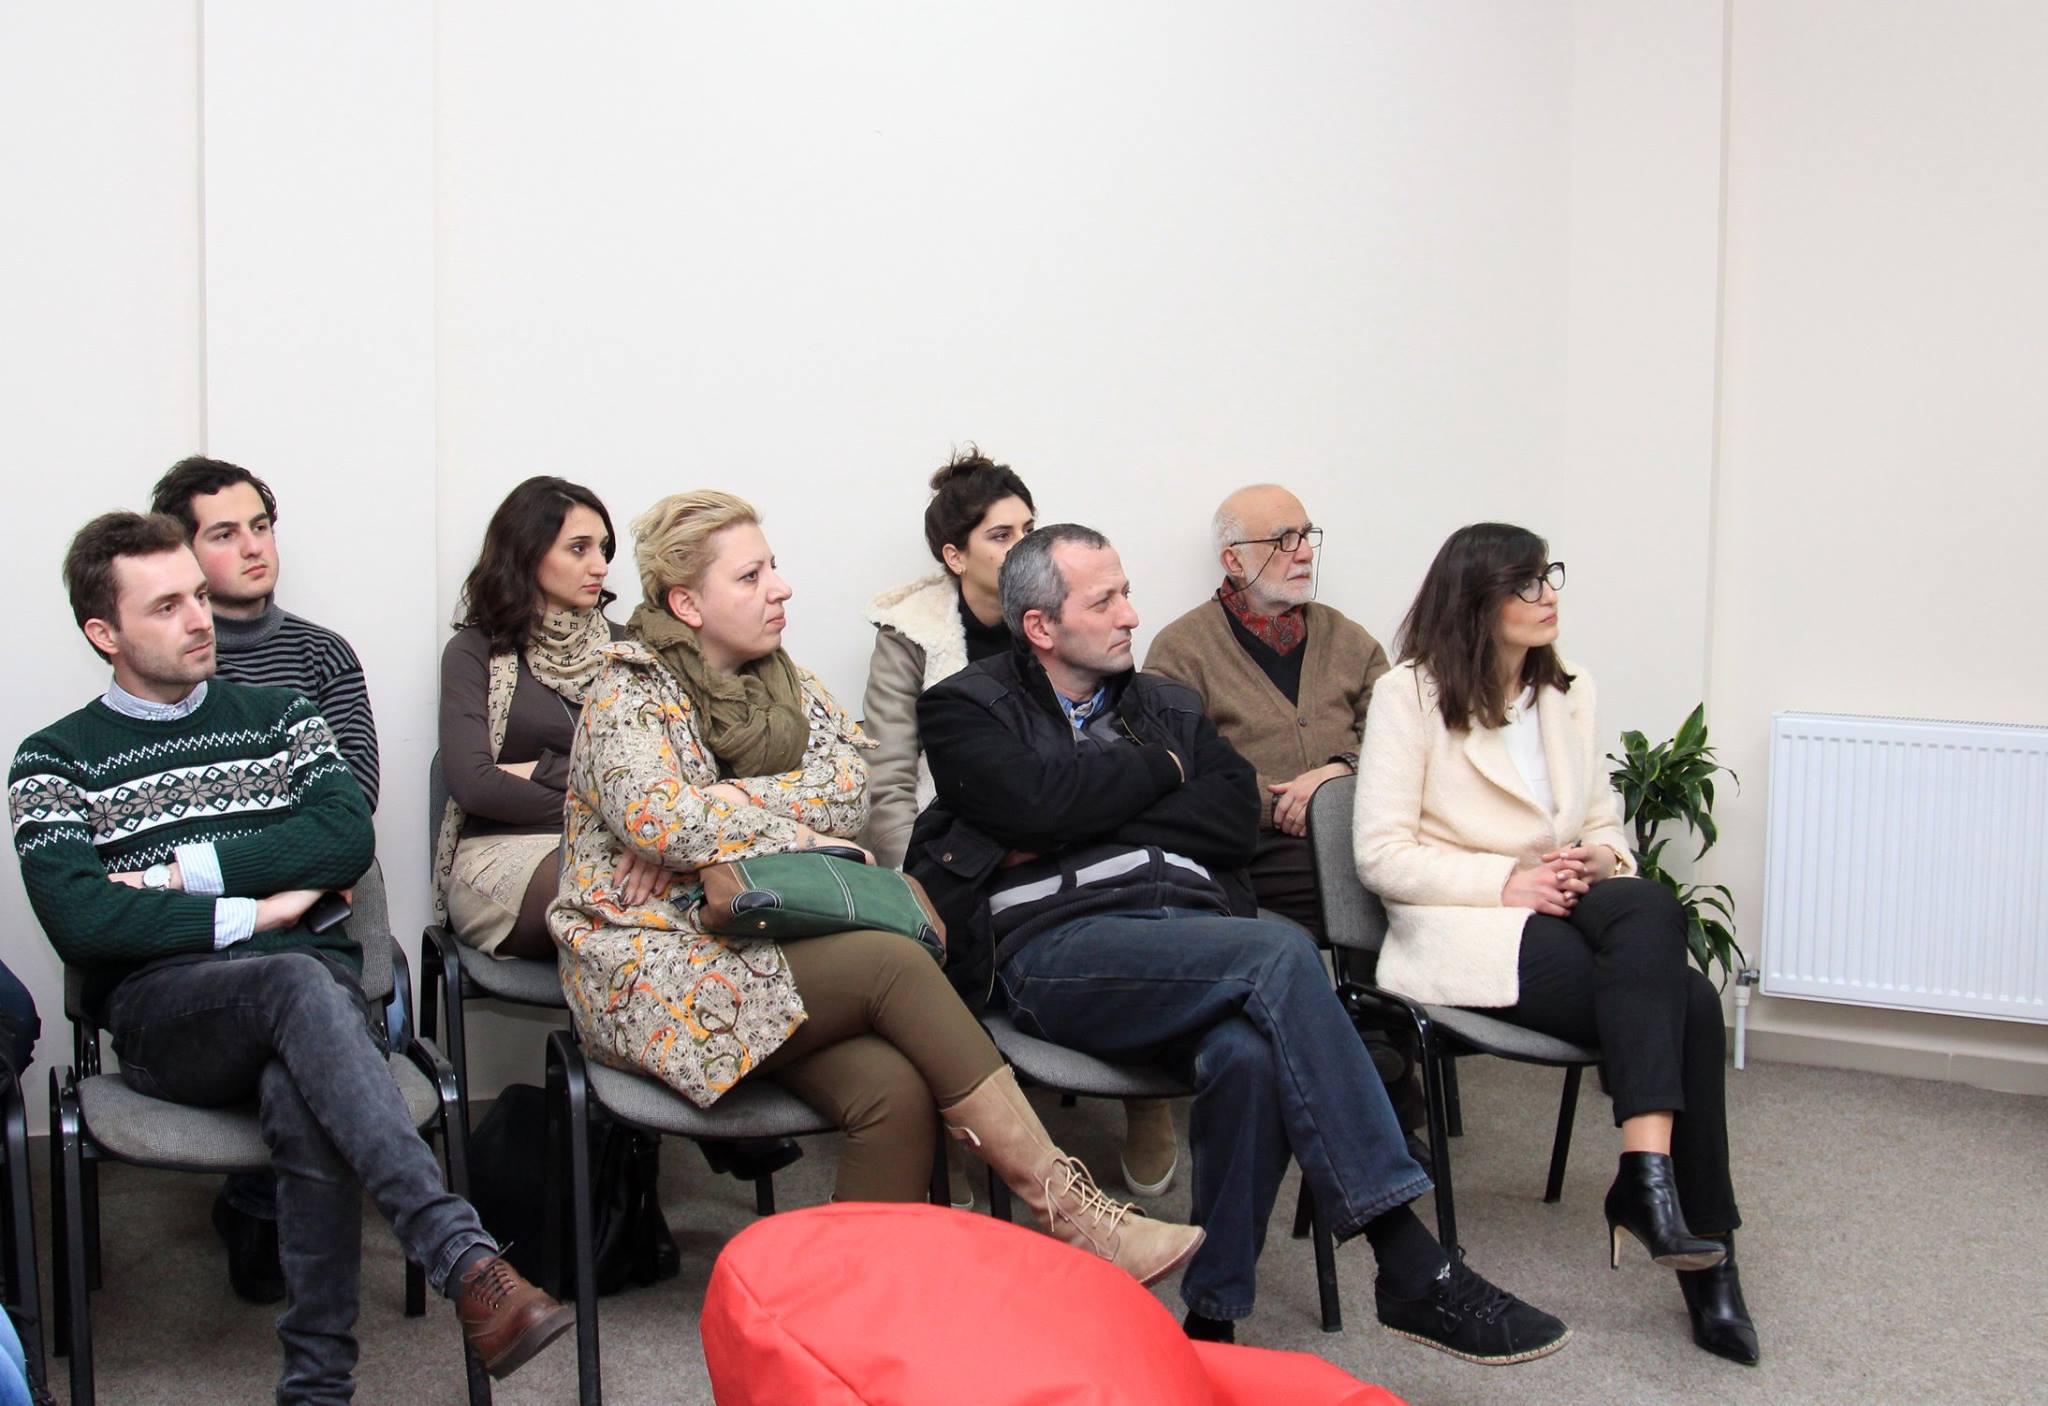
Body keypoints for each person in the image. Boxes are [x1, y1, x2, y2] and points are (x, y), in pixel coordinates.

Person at [907, 524, 1568, 1360]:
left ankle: (1212, 1322)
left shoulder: (1168, 706)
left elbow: (1229, 820)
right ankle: (1406, 1257)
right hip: (1059, 952)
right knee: (1278, 953)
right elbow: (1029, 805)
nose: (1131, 614)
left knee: (1248, 1056)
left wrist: (1078, 810)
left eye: (1126, 592)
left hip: (1192, 936)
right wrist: (1160, 773)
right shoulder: (965, 707)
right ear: (1041, 626)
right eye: (1104, 601)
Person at [548, 491, 1202, 1286]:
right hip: (648, 967)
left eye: (772, 567)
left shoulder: (788, 684)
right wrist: (774, 830)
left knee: (893, 1093)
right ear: (687, 604)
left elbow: (847, 792)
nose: (780, 587)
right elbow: (663, 822)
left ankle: (847, 1315)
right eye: (750, 577)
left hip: (762, 944)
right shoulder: (628, 690)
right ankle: (1073, 1213)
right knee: (894, 962)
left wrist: (717, 811)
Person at [8, 512, 570, 1402]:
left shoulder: (282, 716)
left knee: (298, 1070)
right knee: (296, 977)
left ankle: (317, 1389)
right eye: (166, 607)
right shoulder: (53, 761)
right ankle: (459, 1254)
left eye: (199, 595)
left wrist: (178, 877)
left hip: (310, 1005)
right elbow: (84, 923)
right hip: (171, 1017)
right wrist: (258, 909)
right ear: (104, 633)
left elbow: (344, 838)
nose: (200, 619)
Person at [1353, 522, 1757, 1366]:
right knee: (1687, 1001)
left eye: (1549, 578)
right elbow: (1381, 855)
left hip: (1571, 902)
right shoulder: (1408, 695)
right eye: (1527, 584)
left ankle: (1646, 1177)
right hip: (1468, 923)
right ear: (1475, 601)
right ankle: (1704, 1254)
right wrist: (1508, 880)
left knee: (1647, 901)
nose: (1549, 598)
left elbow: (1601, 821)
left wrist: (1599, 857)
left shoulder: (1569, 692)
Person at [862, 447, 1176, 1200]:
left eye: (1028, 529)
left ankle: (1148, 1098)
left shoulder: (1066, 618)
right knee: (931, 950)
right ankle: (957, 1123)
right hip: (961, 839)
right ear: (954, 556)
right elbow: (889, 777)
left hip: (1075, 818)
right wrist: (915, 885)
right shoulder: (910, 636)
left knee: (1130, 907)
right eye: (1000, 535)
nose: (1021, 546)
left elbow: (1121, 739)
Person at [150, 454, 385, 1304]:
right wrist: (293, 862)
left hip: (313, 924)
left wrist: (293, 869)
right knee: (293, 1022)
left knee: (333, 1012)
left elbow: (352, 805)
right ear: (180, 553)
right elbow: (171, 823)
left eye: (261, 526)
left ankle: (260, 1204)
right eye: (225, 533)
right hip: (202, 941)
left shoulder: (321, 655)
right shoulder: (168, 658)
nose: (254, 547)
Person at [1145, 484, 1387, 938]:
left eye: (1306, 535)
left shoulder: (1350, 640)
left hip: (1363, 831)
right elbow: (1177, 768)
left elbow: (1399, 741)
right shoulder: (1180, 650)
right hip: (1258, 849)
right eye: (1283, 540)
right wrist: (1282, 804)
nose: (1304, 553)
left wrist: (1340, 772)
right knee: (1372, 889)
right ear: (1234, 561)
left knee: (1411, 871)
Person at [435, 476, 626, 961]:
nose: (600, 566)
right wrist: (609, 802)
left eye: (603, 548)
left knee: (672, 893)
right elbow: (474, 785)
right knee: (605, 892)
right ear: (527, 553)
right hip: (505, 853)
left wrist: (539, 768)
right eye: (579, 548)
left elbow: (666, 773)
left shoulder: (629, 651)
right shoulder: (475, 651)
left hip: (621, 844)